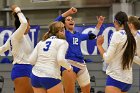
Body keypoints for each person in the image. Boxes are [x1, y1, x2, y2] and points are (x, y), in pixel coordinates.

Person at [55, 7, 105, 93]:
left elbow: (92, 35)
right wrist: (69, 12)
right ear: (64, 24)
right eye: (68, 19)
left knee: (87, 91)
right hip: (69, 64)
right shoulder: (63, 33)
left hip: (81, 64)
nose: (71, 20)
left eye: (72, 19)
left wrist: (99, 24)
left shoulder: (78, 34)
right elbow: (56, 22)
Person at [97, 11, 140, 93]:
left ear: (116, 22)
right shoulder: (133, 37)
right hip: (128, 81)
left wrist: (99, 45)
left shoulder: (117, 34)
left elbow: (107, 59)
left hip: (115, 78)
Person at [29, 21, 72, 93]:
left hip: (35, 76)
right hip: (51, 76)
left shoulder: (41, 42)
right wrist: (69, 67)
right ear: (61, 31)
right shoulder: (62, 42)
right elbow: (60, 60)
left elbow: (31, 60)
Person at [0, 5, 33, 93]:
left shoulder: (20, 37)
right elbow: (24, 23)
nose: (29, 27)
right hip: (21, 69)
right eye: (29, 25)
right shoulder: (17, 35)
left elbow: (2, 48)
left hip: (28, 69)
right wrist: (17, 10)